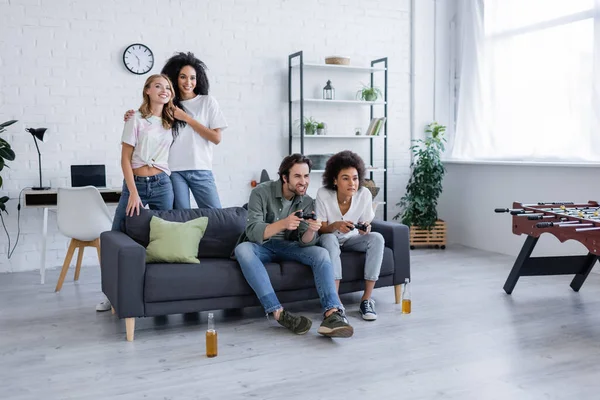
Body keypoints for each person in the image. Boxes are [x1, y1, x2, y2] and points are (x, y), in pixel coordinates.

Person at [234, 154, 354, 338]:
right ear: (284, 177)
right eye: (298, 176)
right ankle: (278, 312)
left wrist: (311, 231)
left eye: (306, 176)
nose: (303, 182)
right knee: (242, 249)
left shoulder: (307, 201)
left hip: (289, 246)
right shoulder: (260, 192)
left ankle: (332, 313)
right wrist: (283, 223)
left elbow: (304, 241)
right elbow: (252, 231)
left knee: (321, 253)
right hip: (262, 246)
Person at [98, 74, 176, 312]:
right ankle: (110, 295)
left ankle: (164, 291)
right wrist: (133, 192)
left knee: (166, 238)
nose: (164, 90)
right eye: (158, 86)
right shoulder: (135, 120)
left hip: (163, 184)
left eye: (168, 88)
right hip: (137, 184)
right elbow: (125, 158)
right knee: (116, 234)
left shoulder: (173, 121)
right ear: (147, 91)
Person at [125, 51, 227, 209]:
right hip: (173, 170)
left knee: (216, 214)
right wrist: (131, 115)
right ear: (175, 78)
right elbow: (148, 120)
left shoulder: (207, 102)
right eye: (183, 77)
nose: (188, 82)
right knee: (180, 218)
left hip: (200, 168)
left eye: (192, 77)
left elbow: (216, 138)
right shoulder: (167, 104)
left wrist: (187, 118)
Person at [315, 150, 385, 321]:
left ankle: (366, 300)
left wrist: (365, 228)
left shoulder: (364, 194)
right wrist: (335, 225)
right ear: (335, 180)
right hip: (329, 237)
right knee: (330, 239)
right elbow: (321, 228)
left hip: (352, 239)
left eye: (354, 178)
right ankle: (335, 303)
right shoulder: (323, 194)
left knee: (377, 238)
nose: (351, 183)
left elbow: (365, 222)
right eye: (345, 178)